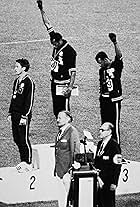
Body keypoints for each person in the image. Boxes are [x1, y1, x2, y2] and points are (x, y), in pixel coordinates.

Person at [37, 0, 77, 117]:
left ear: (60, 40)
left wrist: (70, 87)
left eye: (55, 44)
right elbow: (47, 24)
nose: (54, 46)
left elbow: (73, 72)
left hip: (63, 83)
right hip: (54, 82)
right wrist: (41, 9)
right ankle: (60, 129)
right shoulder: (54, 38)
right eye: (52, 44)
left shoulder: (70, 51)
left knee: (64, 110)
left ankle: (67, 131)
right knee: (56, 110)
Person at [95, 33, 123, 144]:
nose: (100, 65)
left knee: (114, 125)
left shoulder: (116, 66)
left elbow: (119, 56)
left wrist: (115, 42)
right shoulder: (101, 71)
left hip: (114, 100)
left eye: (100, 62)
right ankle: (106, 145)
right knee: (105, 123)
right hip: (104, 100)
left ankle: (117, 148)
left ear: (105, 59)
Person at [8, 58, 35, 173]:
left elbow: (29, 101)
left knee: (23, 139)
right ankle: (23, 160)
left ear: (24, 68)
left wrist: (25, 116)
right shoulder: (17, 81)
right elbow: (13, 97)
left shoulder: (29, 82)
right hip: (14, 113)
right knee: (16, 138)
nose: (15, 69)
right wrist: (10, 112)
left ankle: (28, 162)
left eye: (17, 67)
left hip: (23, 115)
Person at [54, 110, 80, 206]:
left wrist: (71, 170)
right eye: (57, 118)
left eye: (60, 118)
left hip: (67, 172)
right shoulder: (60, 132)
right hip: (59, 171)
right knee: (61, 198)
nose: (57, 120)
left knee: (70, 199)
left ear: (68, 119)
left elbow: (75, 151)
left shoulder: (72, 131)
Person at [94, 122, 122, 207]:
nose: (100, 132)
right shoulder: (100, 144)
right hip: (99, 180)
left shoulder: (114, 145)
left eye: (102, 130)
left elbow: (117, 165)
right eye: (100, 129)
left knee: (108, 204)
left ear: (109, 131)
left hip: (109, 182)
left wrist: (114, 182)